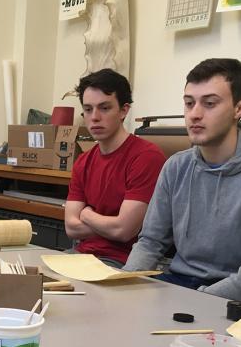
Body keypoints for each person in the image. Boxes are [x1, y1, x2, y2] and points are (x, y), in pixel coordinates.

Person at [124, 58, 241, 308]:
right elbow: (151, 242)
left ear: (240, 109)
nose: (195, 114)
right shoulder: (176, 166)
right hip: (180, 283)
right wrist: (125, 285)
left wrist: (195, 302)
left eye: (209, 103)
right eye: (189, 103)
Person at [64, 69, 166, 266]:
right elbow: (71, 227)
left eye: (104, 108)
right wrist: (111, 224)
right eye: (88, 109)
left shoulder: (146, 157)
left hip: (120, 262)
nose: (94, 117)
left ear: (123, 110)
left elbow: (124, 231)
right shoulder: (83, 162)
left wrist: (86, 214)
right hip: (79, 255)